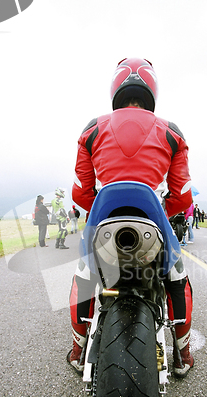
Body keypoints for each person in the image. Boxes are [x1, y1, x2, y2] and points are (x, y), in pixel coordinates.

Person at [68, 57, 194, 378]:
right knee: (176, 277)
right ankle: (182, 354)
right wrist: (162, 211)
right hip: (151, 222)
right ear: (151, 89)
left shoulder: (91, 129)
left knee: (84, 275)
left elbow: (81, 193)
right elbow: (183, 196)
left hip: (103, 223)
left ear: (115, 87)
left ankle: (78, 348)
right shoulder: (172, 132)